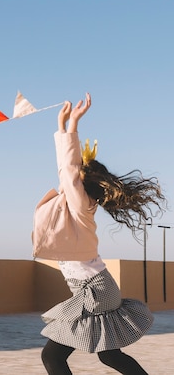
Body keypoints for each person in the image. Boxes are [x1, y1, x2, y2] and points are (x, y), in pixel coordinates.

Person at [32, 94, 166, 375]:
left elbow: (68, 170)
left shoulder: (80, 206)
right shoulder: (77, 205)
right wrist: (63, 125)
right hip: (99, 288)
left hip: (93, 290)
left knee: (52, 357)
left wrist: (71, 125)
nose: (72, 177)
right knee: (110, 356)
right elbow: (66, 172)